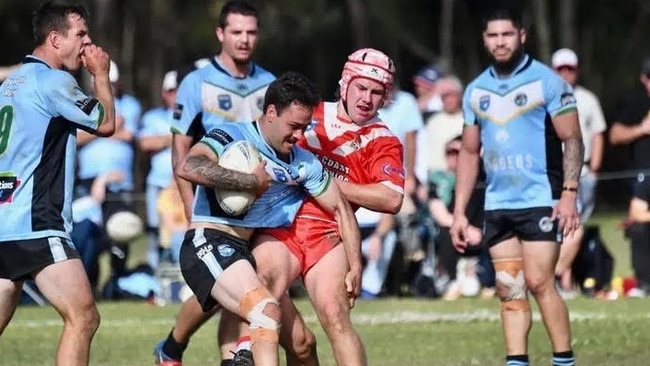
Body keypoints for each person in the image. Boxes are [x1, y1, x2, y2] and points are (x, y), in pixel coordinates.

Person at [173, 72, 360, 366]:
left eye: (305, 128)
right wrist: (248, 182)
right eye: (293, 126)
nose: (299, 136)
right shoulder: (230, 135)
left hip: (247, 253)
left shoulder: (303, 162)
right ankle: (174, 348)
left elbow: (341, 209)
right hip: (208, 240)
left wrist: (355, 264)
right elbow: (189, 165)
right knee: (265, 311)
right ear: (271, 112)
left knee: (301, 343)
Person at [250, 48, 404, 366]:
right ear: (345, 83)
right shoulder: (309, 112)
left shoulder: (383, 140)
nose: (367, 98)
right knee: (298, 341)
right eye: (361, 87)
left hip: (329, 233)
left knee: (336, 317)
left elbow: (392, 198)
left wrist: (323, 182)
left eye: (377, 92)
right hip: (280, 224)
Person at [450, 7, 583, 366]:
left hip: (541, 199)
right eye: (493, 36)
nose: (500, 42)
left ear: (522, 35)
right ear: (484, 40)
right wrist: (459, 212)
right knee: (510, 290)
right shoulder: (476, 90)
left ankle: (563, 360)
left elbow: (572, 139)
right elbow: (469, 151)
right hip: (498, 204)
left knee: (540, 283)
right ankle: (516, 361)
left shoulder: (548, 82)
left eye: (506, 34)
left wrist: (569, 193)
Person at [155, 1, 276, 364]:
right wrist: (193, 213)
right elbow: (182, 155)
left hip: (261, 207)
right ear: (221, 34)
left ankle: (226, 357)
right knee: (221, 291)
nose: (244, 39)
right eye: (236, 32)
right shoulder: (197, 83)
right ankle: (174, 346)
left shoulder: (269, 84)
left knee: (244, 292)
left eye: (251, 32)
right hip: (213, 210)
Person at [0, 1, 115, 365]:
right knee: (83, 317)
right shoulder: (54, 81)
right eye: (80, 34)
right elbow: (107, 123)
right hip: (36, 224)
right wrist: (100, 75)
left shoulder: (11, 83)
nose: (87, 41)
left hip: (4, 220)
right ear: (55, 39)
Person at [76, 58, 142, 284]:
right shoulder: (82, 103)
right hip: (87, 180)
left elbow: (128, 134)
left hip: (118, 180)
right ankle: (89, 284)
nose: (109, 87)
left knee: (120, 231)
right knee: (89, 233)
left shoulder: (130, 104)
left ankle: (117, 282)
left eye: (112, 82)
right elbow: (75, 138)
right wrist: (107, 128)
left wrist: (93, 129)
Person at [550, 48, 608, 296]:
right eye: (560, 69)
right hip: (554, 171)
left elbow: (597, 133)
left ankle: (564, 278)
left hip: (581, 172)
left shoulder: (587, 99)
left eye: (569, 69)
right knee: (558, 227)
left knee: (575, 226)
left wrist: (594, 167)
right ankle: (559, 278)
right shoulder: (545, 98)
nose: (565, 74)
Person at [138, 70, 178, 270]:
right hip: (158, 182)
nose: (175, 94)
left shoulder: (193, 115)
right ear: (164, 93)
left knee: (181, 230)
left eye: (178, 90)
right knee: (154, 230)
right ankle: (155, 274)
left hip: (183, 184)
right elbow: (145, 143)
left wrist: (160, 140)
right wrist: (176, 138)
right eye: (171, 90)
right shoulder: (152, 116)